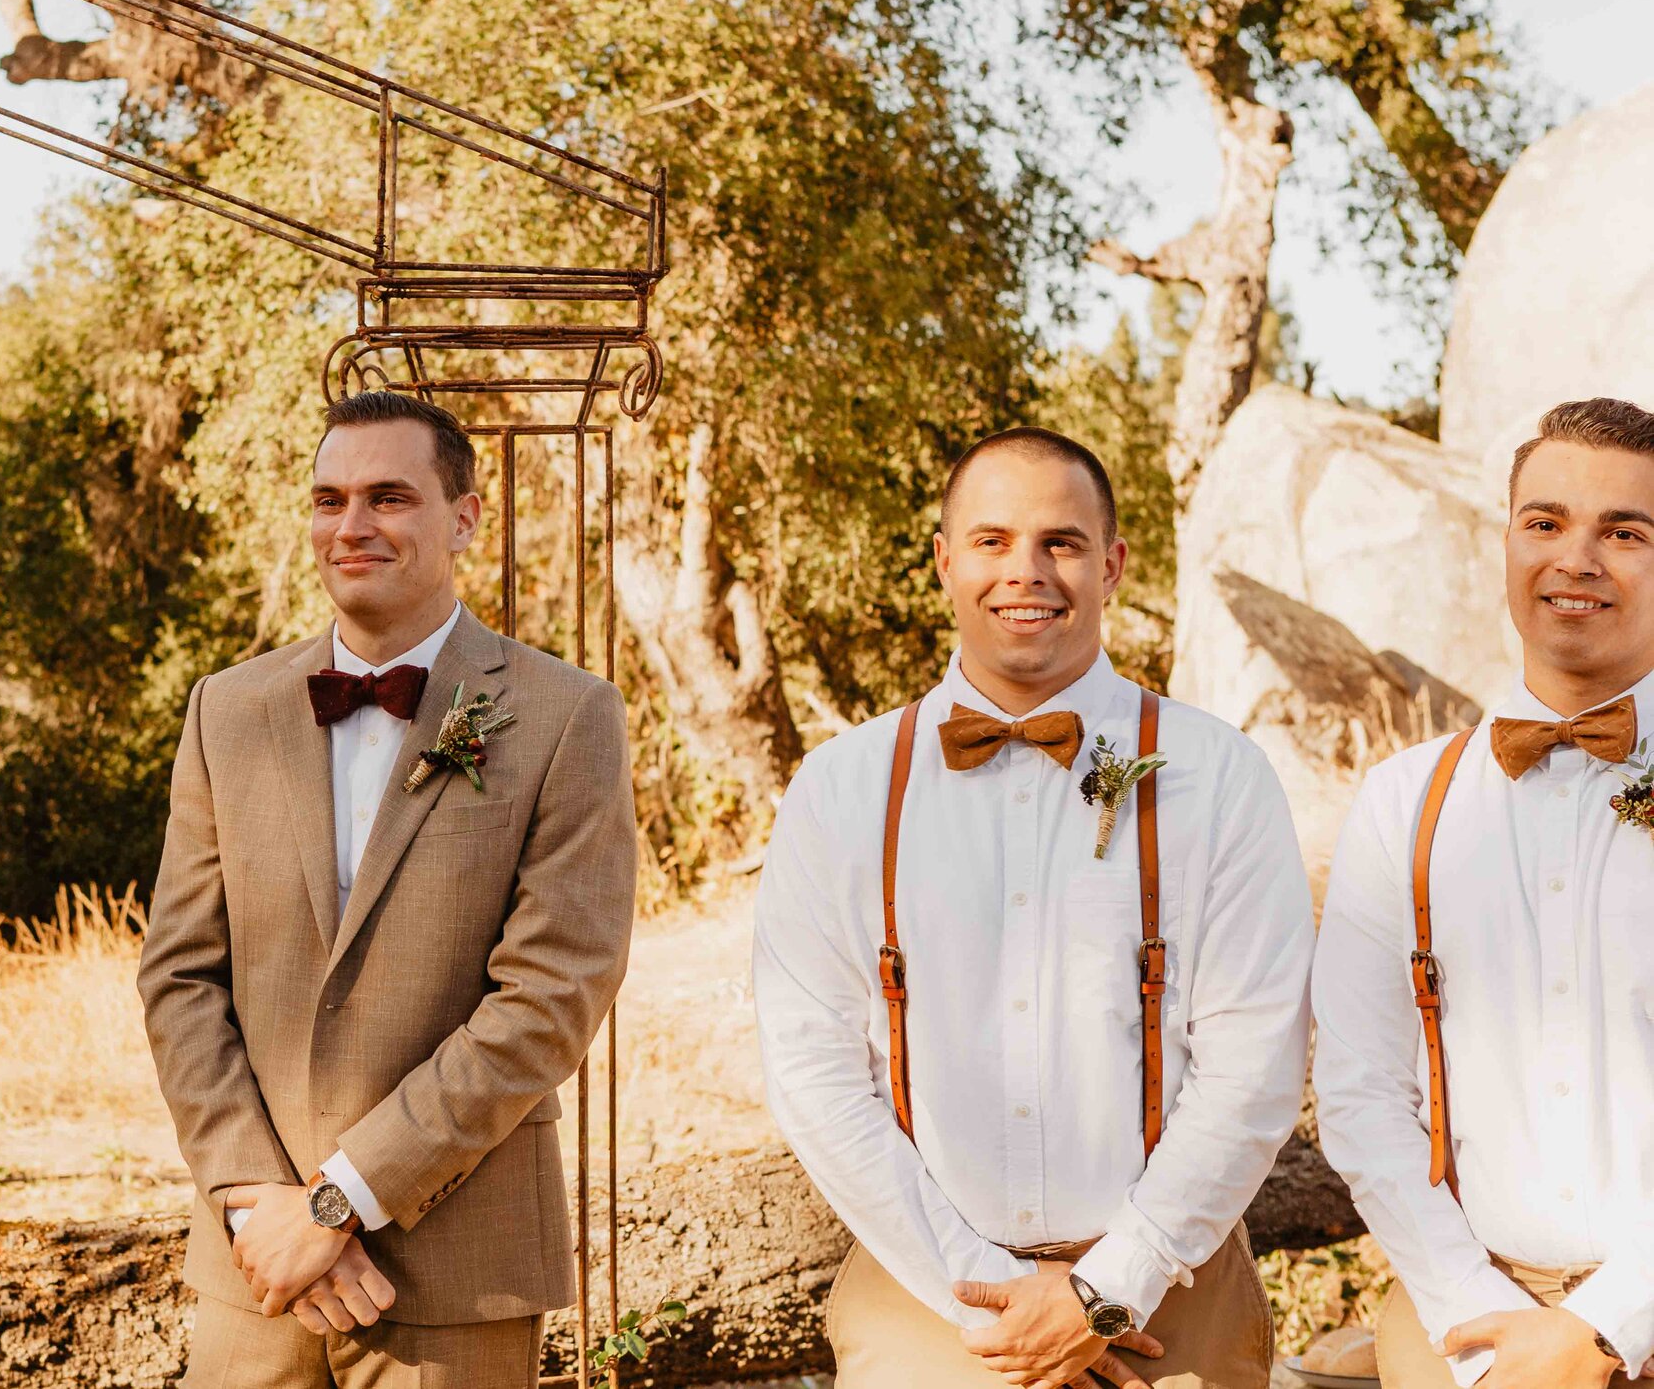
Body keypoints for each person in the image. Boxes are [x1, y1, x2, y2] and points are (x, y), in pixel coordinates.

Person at [754, 427, 1313, 1389]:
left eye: (1060, 542)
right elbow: (812, 1065)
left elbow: (1256, 1057)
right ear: (943, 560)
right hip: (930, 1296)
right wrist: (990, 1293)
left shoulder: (1219, 776)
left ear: (1113, 564)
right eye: (991, 540)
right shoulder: (840, 788)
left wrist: (1111, 1284)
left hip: (1173, 1295)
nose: (1027, 571)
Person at [138, 389, 636, 1388]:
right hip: (256, 1273)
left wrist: (339, 1201)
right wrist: (257, 1202)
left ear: (463, 517)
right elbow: (179, 976)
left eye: (388, 497)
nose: (350, 525)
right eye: (329, 499)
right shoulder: (225, 710)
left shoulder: (561, 714)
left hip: (454, 1276)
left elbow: (548, 1001)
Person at [1315, 397, 1654, 1389]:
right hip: (1464, 1315)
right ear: (1504, 542)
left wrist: (1601, 1323)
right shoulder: (1400, 801)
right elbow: (1361, 1089)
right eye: (1543, 522)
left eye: (1623, 531)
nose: (1576, 558)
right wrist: (1478, 1317)